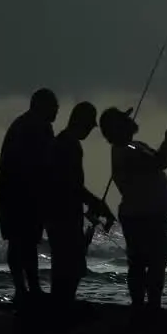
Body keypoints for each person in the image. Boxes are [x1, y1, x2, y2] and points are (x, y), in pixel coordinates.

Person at [99, 107, 167, 309]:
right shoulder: (129, 149)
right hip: (146, 217)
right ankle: (149, 308)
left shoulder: (132, 147)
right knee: (152, 265)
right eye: (124, 120)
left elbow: (158, 159)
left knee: (141, 264)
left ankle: (143, 307)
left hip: (140, 215)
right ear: (117, 128)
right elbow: (161, 161)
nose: (131, 120)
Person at [0, 88, 58, 303]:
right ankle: (25, 289)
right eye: (53, 106)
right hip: (18, 192)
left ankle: (26, 288)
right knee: (23, 241)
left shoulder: (27, 125)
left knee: (24, 242)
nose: (57, 111)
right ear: (41, 106)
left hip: (17, 192)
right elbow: (43, 164)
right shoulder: (35, 127)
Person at [47, 101, 115, 302]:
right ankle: (63, 307)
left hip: (57, 213)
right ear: (80, 122)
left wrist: (95, 205)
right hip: (64, 216)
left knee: (63, 265)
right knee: (70, 266)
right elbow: (73, 186)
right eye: (88, 126)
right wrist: (98, 205)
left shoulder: (60, 142)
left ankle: (60, 305)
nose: (89, 131)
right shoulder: (70, 146)